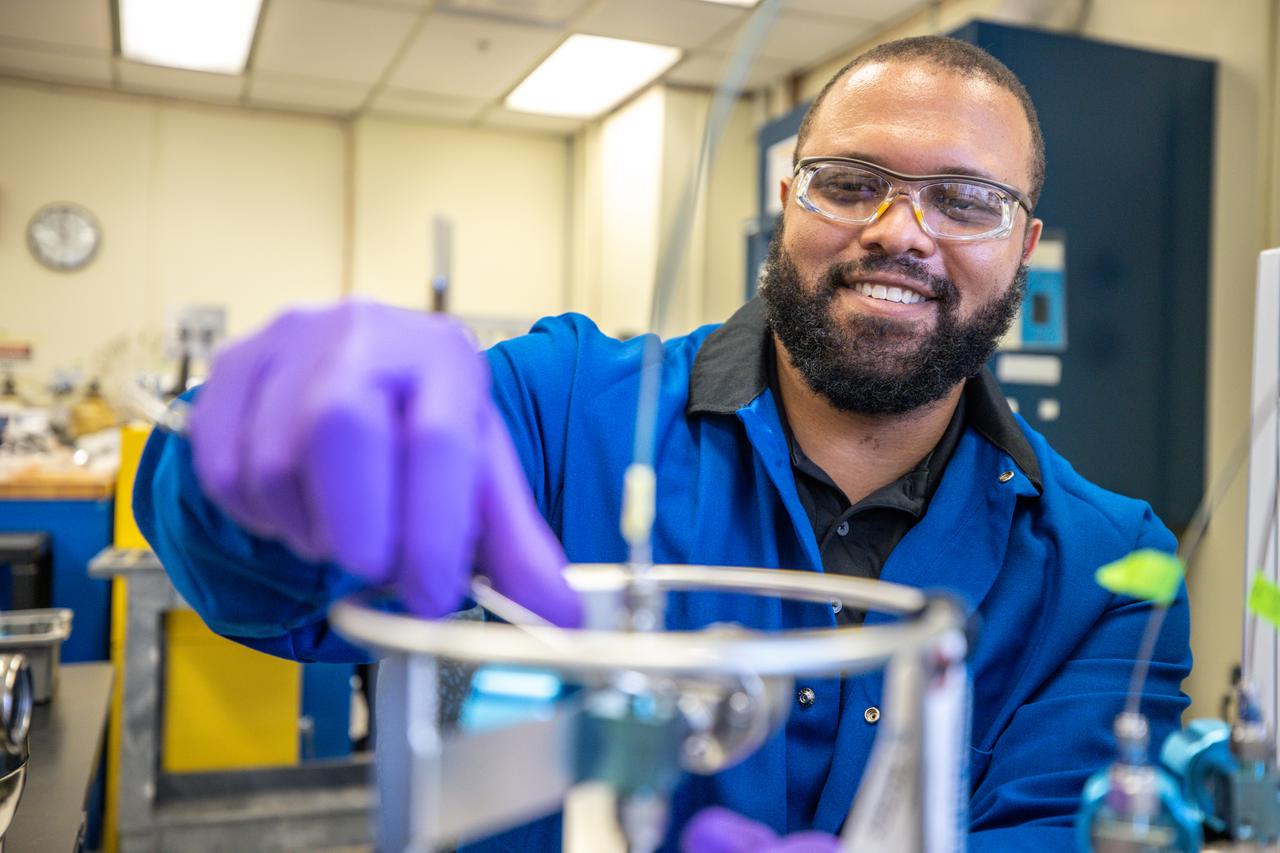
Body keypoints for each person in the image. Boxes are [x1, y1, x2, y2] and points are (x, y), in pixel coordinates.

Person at [133, 35, 1190, 851]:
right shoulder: (560, 407)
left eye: (964, 201)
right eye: (848, 181)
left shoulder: (1107, 569)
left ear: (1024, 249)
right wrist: (257, 469)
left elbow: (1064, 826)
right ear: (786, 199)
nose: (898, 230)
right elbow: (260, 587)